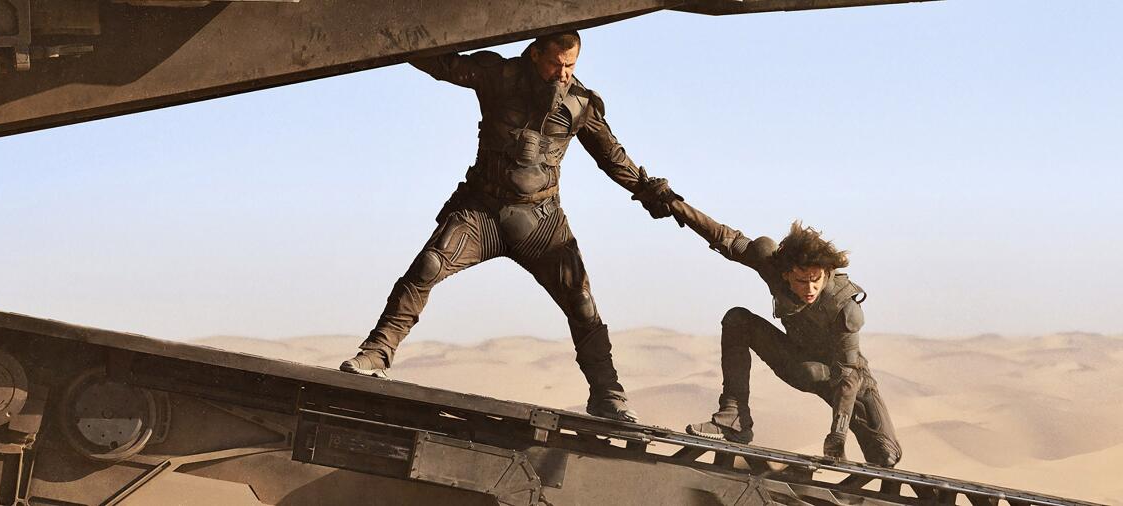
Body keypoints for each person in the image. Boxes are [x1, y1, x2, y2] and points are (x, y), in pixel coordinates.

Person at [338, 31, 676, 423]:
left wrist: (648, 190)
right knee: (429, 266)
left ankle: (607, 394)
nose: (562, 73)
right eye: (555, 63)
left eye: (570, 66)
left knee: (581, 302)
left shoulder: (580, 102)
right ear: (534, 54)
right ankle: (377, 352)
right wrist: (391, 32)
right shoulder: (497, 75)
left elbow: (611, 156)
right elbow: (442, 64)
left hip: (541, 222)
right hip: (482, 211)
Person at [634, 181, 901, 466]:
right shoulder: (772, 264)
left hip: (845, 382)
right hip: (797, 362)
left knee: (886, 455)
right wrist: (676, 205)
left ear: (826, 273)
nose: (810, 288)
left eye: (816, 280)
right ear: (786, 274)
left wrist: (838, 434)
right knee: (738, 320)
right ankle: (734, 417)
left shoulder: (844, 307)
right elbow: (724, 238)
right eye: (801, 281)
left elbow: (848, 376)